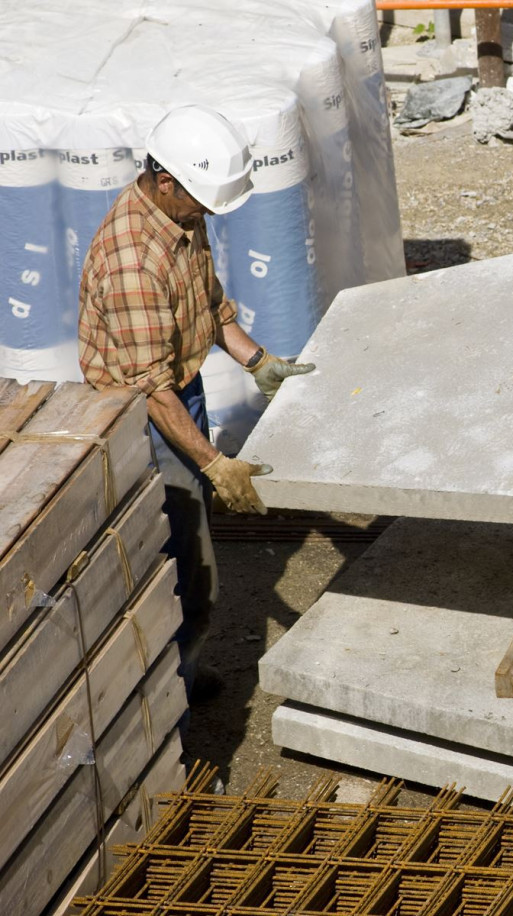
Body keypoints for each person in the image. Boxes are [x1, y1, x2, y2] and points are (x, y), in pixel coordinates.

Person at [77, 105, 314, 698]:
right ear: (165, 181)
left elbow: (207, 303)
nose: (209, 212)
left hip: (179, 392)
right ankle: (167, 708)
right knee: (185, 565)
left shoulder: (180, 213)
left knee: (191, 543)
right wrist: (213, 463)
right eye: (202, 200)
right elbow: (151, 390)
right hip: (141, 415)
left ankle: (183, 669)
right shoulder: (132, 258)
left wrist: (258, 360)